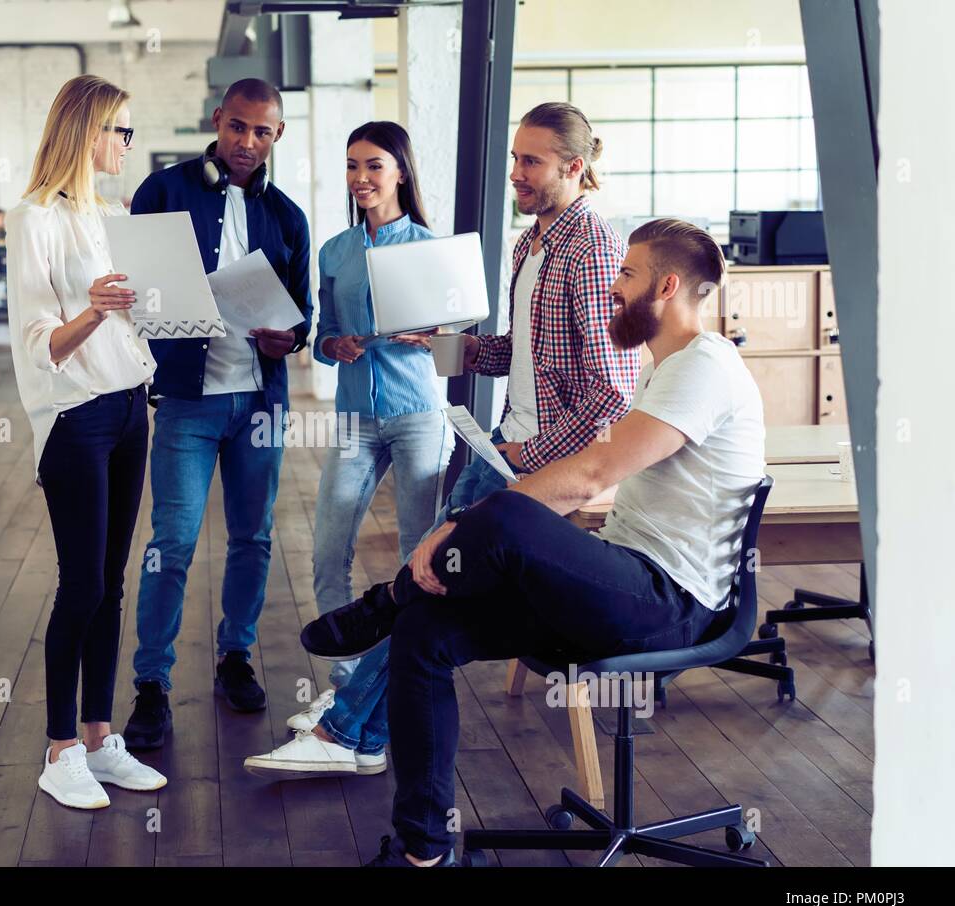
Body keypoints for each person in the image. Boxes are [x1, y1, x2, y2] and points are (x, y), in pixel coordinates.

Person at [301, 218, 766, 866]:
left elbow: (595, 473)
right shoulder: (664, 370)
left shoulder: (705, 366)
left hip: (672, 604)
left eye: (626, 276)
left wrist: (462, 527)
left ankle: (388, 596)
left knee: (506, 514)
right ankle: (424, 851)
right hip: (623, 581)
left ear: (666, 285)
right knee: (426, 631)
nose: (613, 288)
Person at [258, 102, 640, 777]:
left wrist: (535, 454)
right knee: (424, 581)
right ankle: (358, 731)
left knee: (424, 577)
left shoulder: (592, 249)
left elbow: (612, 391)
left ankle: (347, 731)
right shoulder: (532, 244)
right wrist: (449, 346)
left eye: (531, 161)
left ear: (575, 168)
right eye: (515, 158)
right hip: (500, 443)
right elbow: (516, 352)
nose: (516, 173)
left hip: (531, 458)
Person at [243, 121, 451, 780]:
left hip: (419, 415)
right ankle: (353, 680)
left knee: (422, 564)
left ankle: (389, 703)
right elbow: (322, 332)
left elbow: (459, 347)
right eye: (353, 166)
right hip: (356, 417)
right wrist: (336, 347)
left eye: (376, 167)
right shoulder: (334, 250)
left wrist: (433, 338)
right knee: (327, 546)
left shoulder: (429, 247)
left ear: (401, 174)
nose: (362, 178)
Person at [122, 78, 313, 750]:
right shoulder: (163, 193)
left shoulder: (288, 217)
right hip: (186, 401)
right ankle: (152, 684)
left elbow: (303, 317)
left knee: (254, 537)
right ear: (217, 121)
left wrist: (286, 337)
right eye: (238, 127)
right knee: (170, 542)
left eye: (262, 132)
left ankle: (236, 657)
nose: (247, 142)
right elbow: (134, 291)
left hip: (257, 399)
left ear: (277, 136)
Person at [6, 74, 167, 810]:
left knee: (113, 582)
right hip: (75, 418)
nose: (127, 144)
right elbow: (40, 342)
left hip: (131, 405)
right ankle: (59, 748)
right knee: (83, 585)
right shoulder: (33, 217)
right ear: (86, 131)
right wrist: (98, 312)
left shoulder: (114, 214)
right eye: (120, 130)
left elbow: (136, 314)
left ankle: (102, 741)